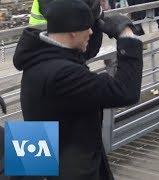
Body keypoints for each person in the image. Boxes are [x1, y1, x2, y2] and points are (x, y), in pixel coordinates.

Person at [12, 0, 143, 179]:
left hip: (47, 161)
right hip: (72, 170)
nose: (91, 31)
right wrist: (127, 36)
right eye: (87, 27)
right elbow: (125, 92)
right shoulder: (63, 74)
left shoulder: (36, 59)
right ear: (73, 32)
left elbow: (81, 54)